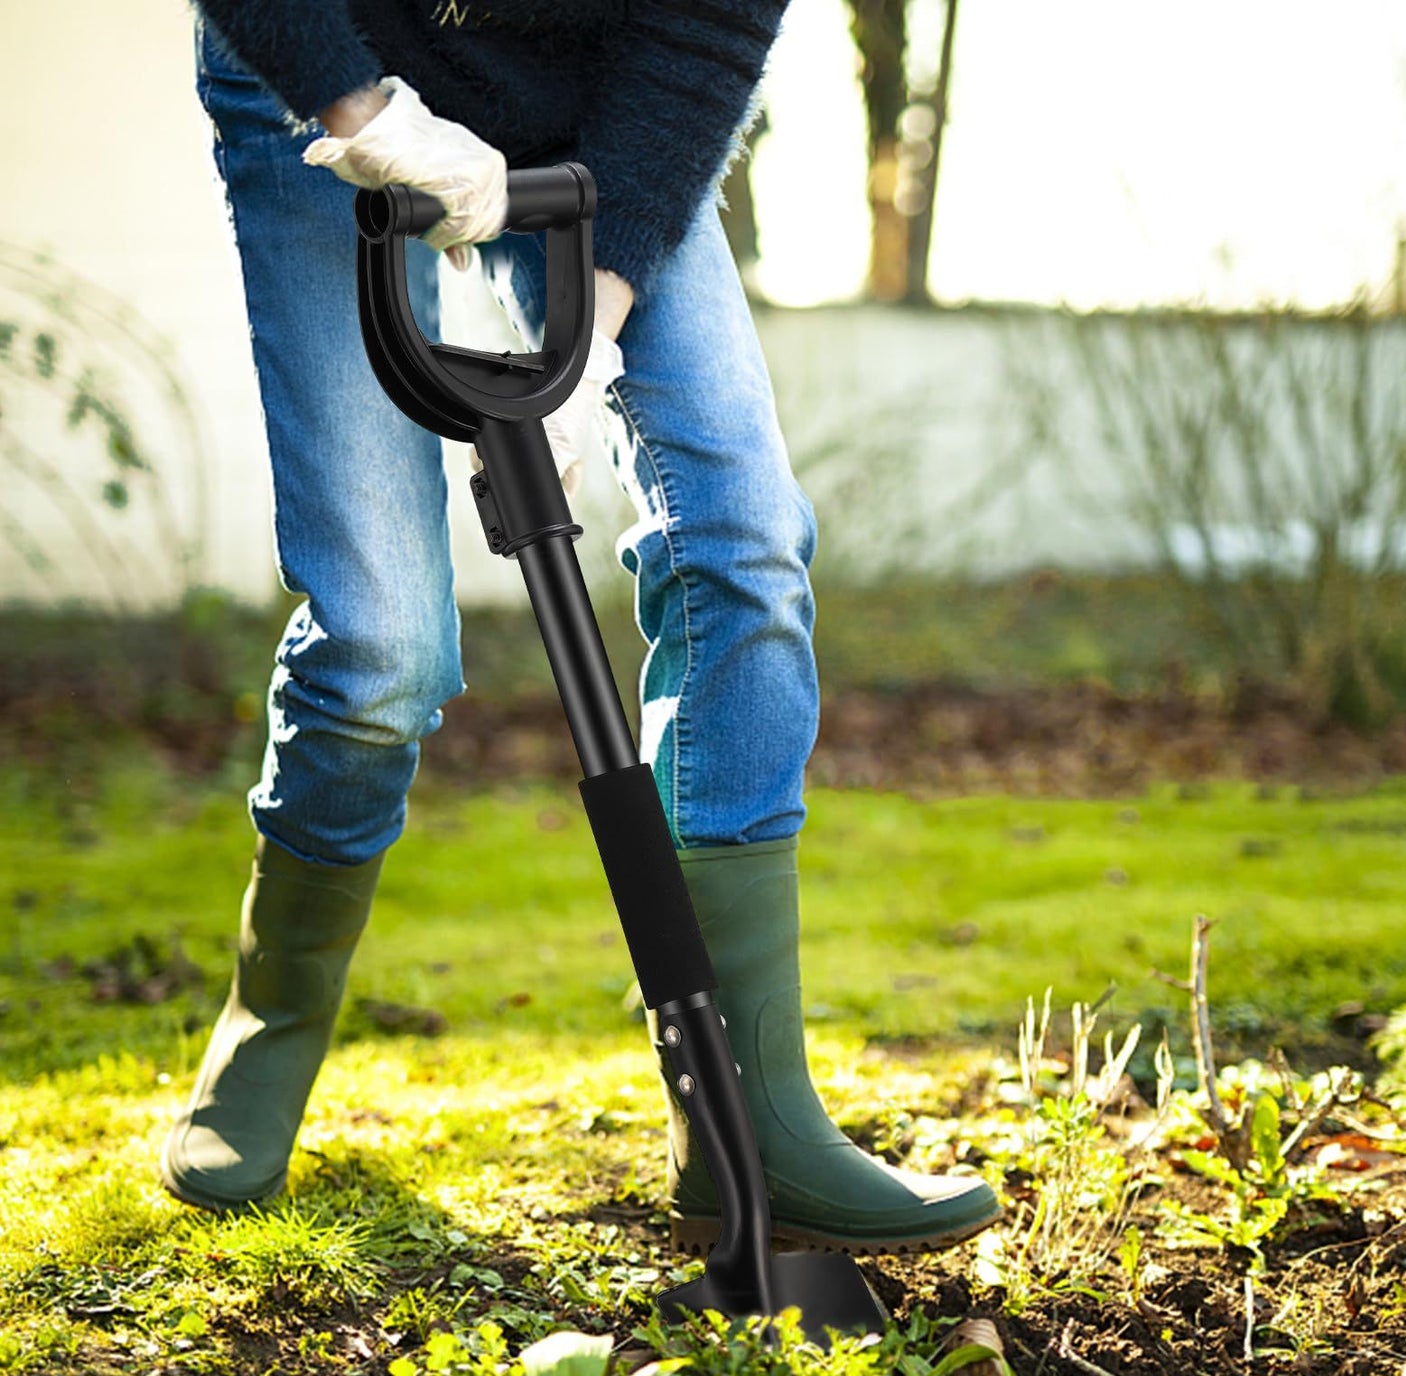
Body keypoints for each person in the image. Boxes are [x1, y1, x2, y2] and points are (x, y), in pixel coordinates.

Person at [162, 0, 1002, 1256]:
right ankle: (271, 1016)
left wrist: (588, 323)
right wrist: (368, 117)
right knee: (385, 643)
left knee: (743, 539)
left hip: (585, 107)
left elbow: (705, 36)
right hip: (316, 53)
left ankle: (744, 1115)